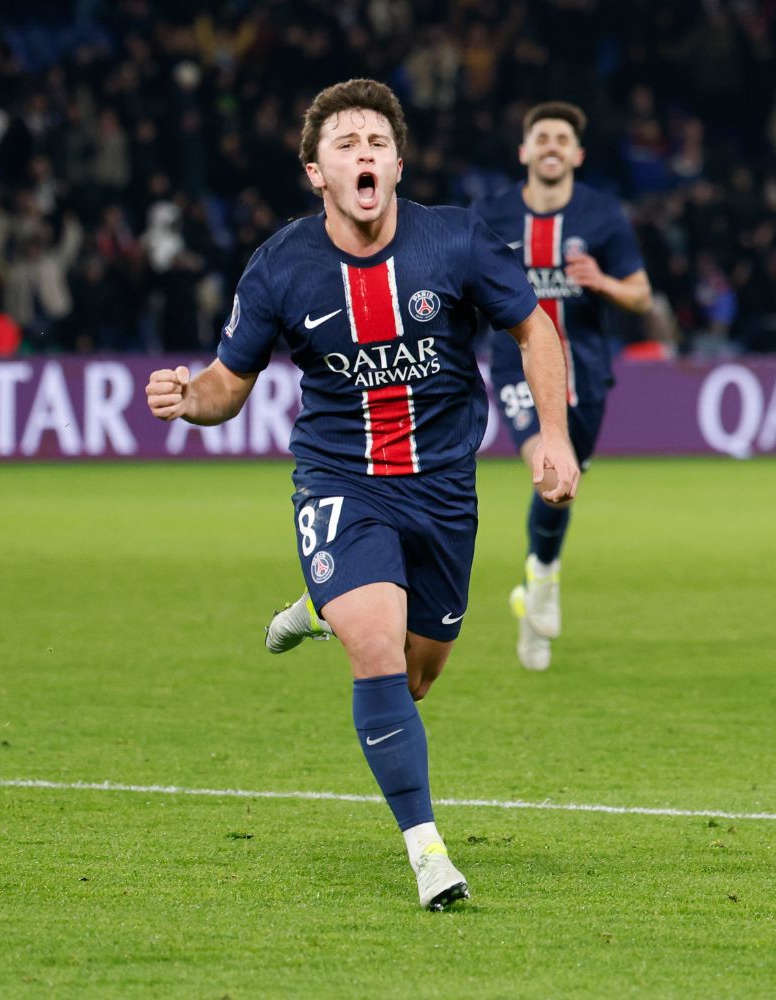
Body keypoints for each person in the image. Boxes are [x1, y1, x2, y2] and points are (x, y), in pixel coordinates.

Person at [144, 80, 579, 911]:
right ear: (317, 173)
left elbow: (535, 328)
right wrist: (187, 397)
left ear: (398, 162)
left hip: (444, 488)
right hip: (342, 481)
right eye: (345, 144)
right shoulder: (282, 265)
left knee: (415, 676)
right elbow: (227, 386)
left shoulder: (454, 241)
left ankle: (321, 602)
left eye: (377, 141)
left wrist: (552, 437)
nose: (364, 153)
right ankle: (428, 853)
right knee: (374, 649)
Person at [470, 102, 651, 671]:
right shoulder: (492, 214)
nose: (551, 145)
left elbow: (642, 295)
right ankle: (545, 580)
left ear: (577, 154)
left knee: (564, 488)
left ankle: (532, 589)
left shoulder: (602, 216)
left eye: (561, 138)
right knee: (549, 474)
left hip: (587, 373)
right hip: (515, 366)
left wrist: (603, 283)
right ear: (524, 151)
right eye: (540, 136)